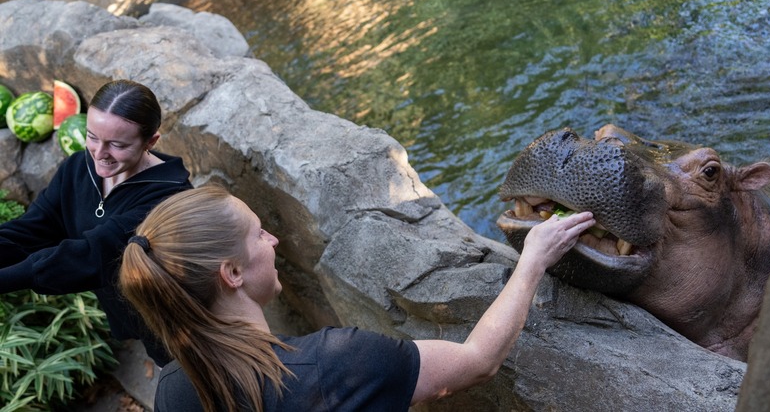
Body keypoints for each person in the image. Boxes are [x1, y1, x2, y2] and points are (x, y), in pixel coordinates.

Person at [120, 185, 595, 411]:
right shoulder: (332, 365)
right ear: (233, 273)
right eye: (257, 233)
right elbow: (477, 361)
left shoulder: (173, 387)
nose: (274, 240)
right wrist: (533, 260)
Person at [0, 79, 193, 366]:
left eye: (117, 144)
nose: (99, 154)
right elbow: (34, 228)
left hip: (173, 317)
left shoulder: (170, 198)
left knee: (181, 369)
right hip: (126, 307)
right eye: (92, 136)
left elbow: (92, 254)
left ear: (150, 141)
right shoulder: (78, 167)